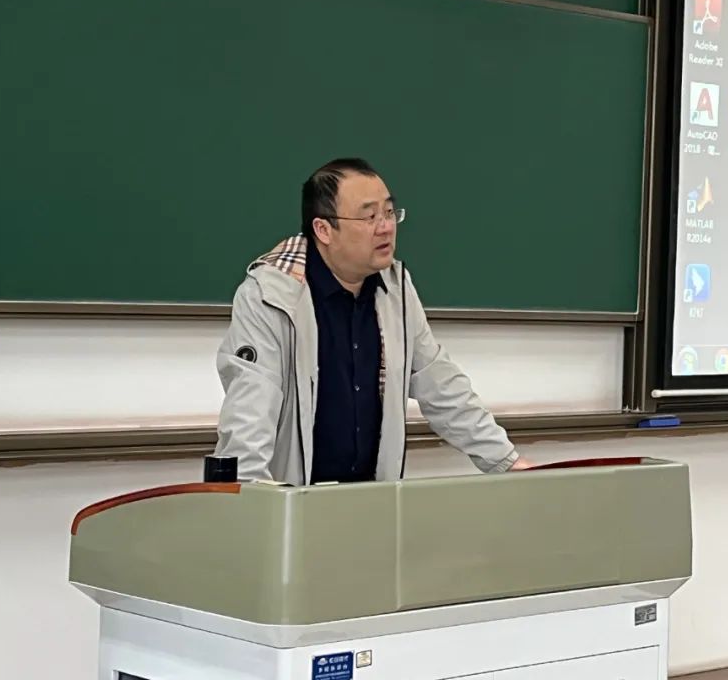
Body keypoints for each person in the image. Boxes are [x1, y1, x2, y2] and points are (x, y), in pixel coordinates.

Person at [213, 157, 527, 485]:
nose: (386, 227)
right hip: (296, 502)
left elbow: (442, 386)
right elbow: (250, 411)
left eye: (389, 213)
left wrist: (507, 462)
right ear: (323, 229)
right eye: (369, 216)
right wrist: (249, 501)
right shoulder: (271, 296)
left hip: (373, 499)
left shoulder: (396, 290)